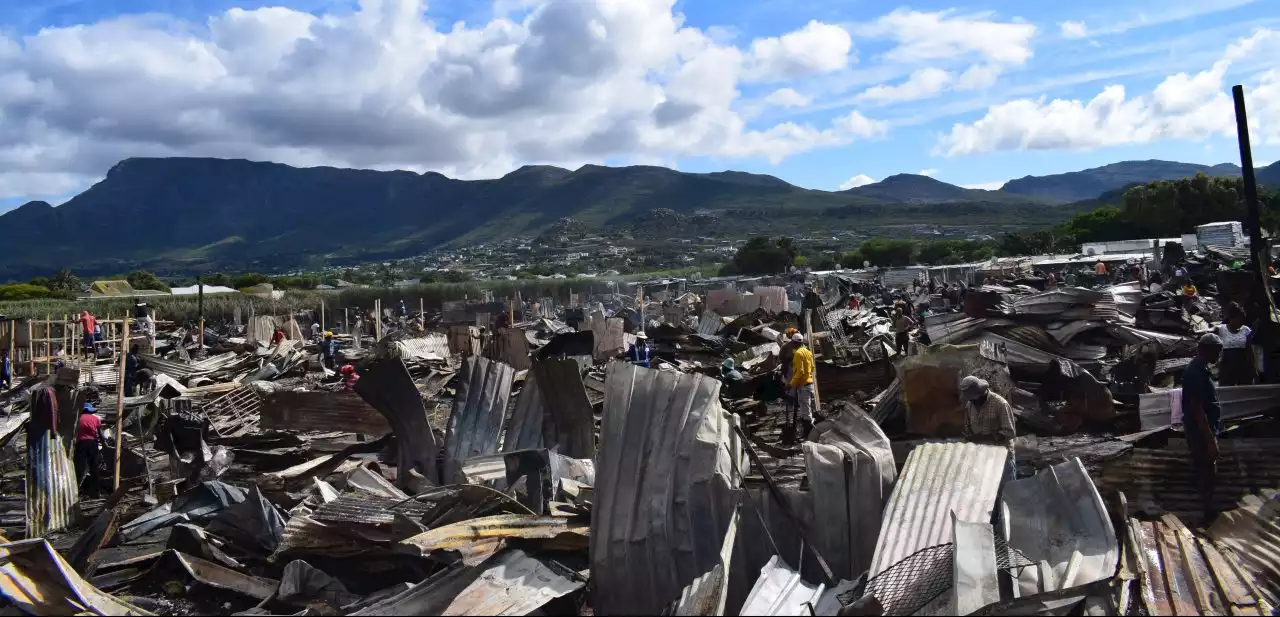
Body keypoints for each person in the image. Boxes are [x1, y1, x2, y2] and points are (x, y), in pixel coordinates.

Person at [1182, 333, 1223, 524]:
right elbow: (1198, 409)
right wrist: (1210, 439)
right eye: (1217, 351)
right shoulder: (1194, 373)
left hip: (1204, 430)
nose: (1219, 355)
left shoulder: (1201, 369)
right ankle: (1206, 512)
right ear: (1206, 350)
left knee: (1207, 470)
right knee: (1206, 470)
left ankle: (1208, 509)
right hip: (1199, 432)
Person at [959, 376, 1017, 482]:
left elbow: (1009, 432)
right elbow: (968, 427)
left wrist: (985, 437)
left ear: (981, 394)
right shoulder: (970, 405)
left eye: (972, 398)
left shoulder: (1000, 404)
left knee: (1008, 492)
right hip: (982, 457)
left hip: (1002, 458)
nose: (971, 401)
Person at [1216, 303, 1255, 386]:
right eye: (1239, 318)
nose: (1241, 321)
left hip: (1243, 369)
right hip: (1226, 369)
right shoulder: (1221, 329)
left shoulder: (1246, 330)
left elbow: (1250, 352)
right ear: (1232, 318)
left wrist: (1253, 370)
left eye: (1242, 319)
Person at [74, 403, 104, 497]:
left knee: (80, 468)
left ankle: (75, 492)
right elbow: (100, 434)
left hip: (80, 445)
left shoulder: (77, 419)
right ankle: (95, 492)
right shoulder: (96, 419)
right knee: (94, 468)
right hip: (92, 444)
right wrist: (105, 444)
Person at [789, 333, 816, 436]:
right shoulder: (808, 352)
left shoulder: (798, 354)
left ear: (794, 343)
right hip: (810, 383)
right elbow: (812, 367)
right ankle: (809, 431)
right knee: (808, 408)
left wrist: (791, 384)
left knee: (805, 410)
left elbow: (799, 372)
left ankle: (808, 433)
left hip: (803, 385)